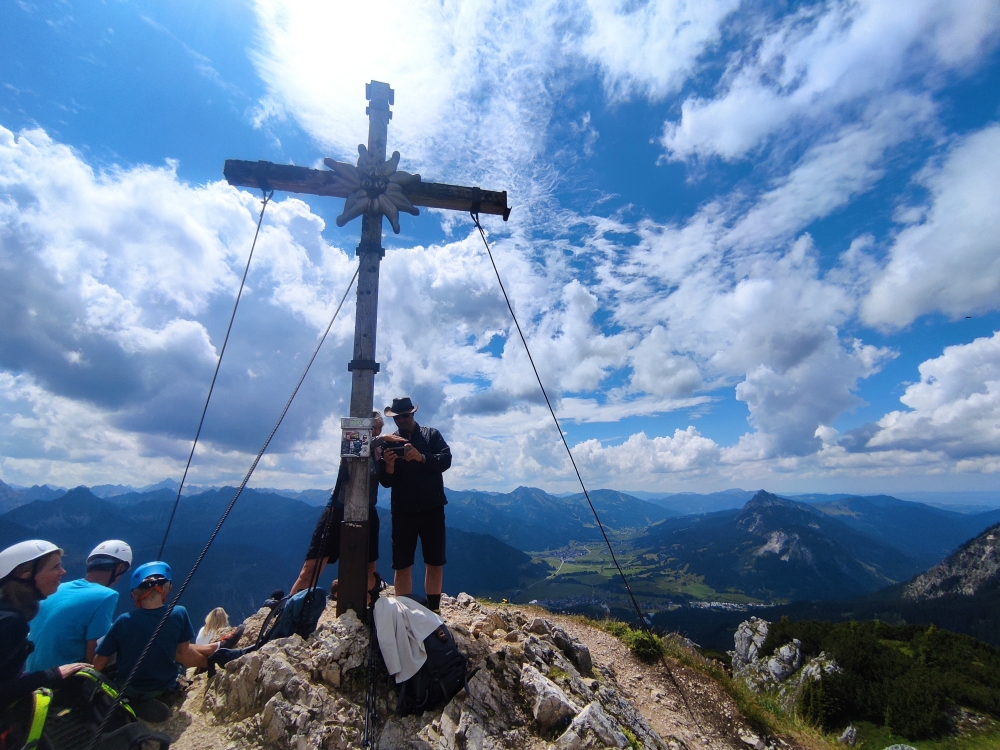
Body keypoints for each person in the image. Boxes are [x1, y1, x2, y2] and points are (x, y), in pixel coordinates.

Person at [93, 561, 218, 722]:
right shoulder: (178, 613)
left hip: (129, 688)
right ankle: (214, 651)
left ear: (134, 595)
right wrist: (207, 663)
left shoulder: (123, 621)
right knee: (166, 648)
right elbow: (183, 653)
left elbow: (99, 663)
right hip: (164, 685)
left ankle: (134, 704)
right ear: (167, 589)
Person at [289, 411, 385, 598]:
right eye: (374, 427)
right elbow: (355, 453)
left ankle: (369, 610)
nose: (378, 431)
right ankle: (288, 614)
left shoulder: (379, 451)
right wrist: (380, 441)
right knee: (312, 567)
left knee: (369, 566)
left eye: (380, 428)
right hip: (339, 506)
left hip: (368, 509)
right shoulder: (353, 440)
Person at [377, 397, 452, 613]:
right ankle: (404, 611)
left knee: (435, 561)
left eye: (405, 415)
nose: (401, 420)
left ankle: (435, 609)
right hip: (403, 511)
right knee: (402, 564)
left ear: (413, 414)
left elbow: (445, 460)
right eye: (397, 417)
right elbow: (386, 481)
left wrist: (421, 457)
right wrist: (389, 466)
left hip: (432, 509)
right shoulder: (390, 442)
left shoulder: (432, 435)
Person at [0, 540, 89, 711]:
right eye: (55, 567)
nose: (63, 572)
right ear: (25, 574)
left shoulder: (7, 613)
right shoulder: (11, 623)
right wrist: (53, 675)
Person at [25, 539, 132, 672]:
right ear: (120, 568)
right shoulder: (106, 595)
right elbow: (94, 656)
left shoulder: (56, 589)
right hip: (62, 680)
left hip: (31, 675)